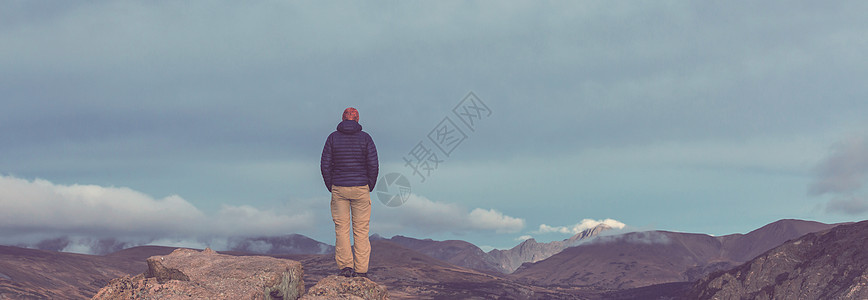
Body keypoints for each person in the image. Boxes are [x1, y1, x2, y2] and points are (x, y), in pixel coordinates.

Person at [320, 107, 379, 278]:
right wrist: (370, 185)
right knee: (361, 230)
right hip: (361, 188)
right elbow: (373, 165)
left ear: (342, 119)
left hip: (339, 187)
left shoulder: (332, 138)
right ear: (357, 119)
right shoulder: (366, 138)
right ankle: (361, 270)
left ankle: (346, 267)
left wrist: (331, 185)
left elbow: (325, 165)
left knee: (342, 229)